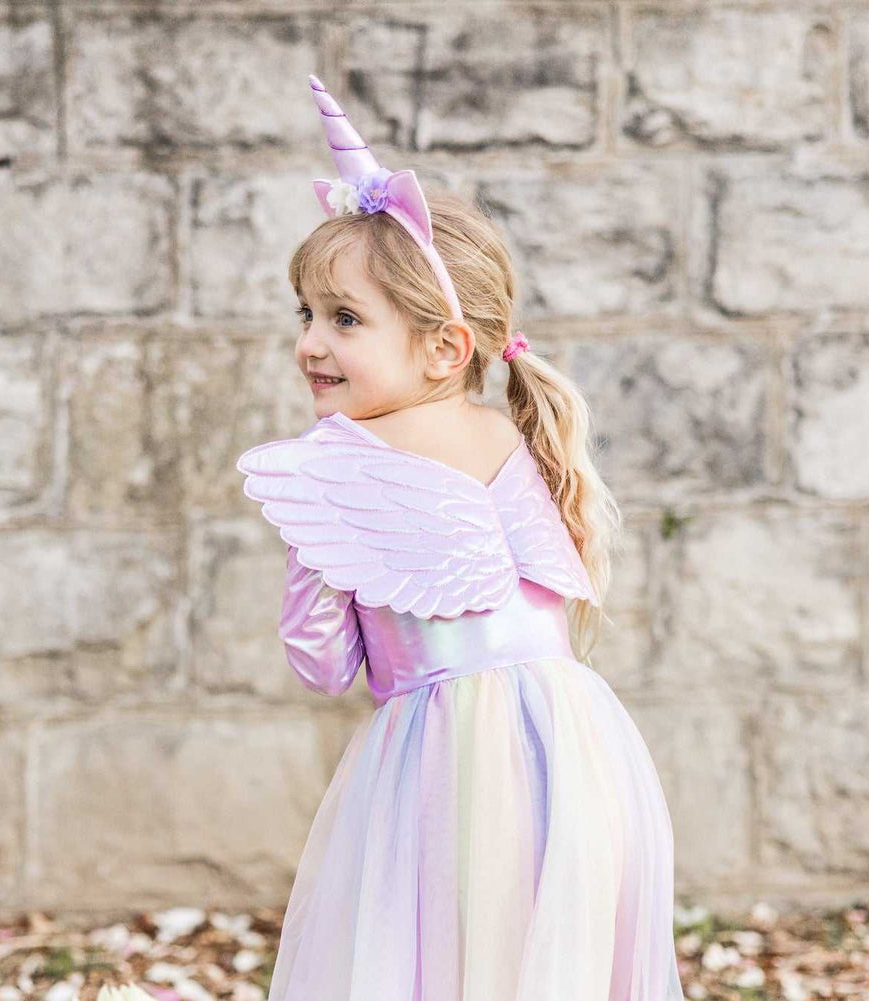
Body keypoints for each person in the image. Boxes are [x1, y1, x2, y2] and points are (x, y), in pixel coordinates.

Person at [234, 74, 688, 1001]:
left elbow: (322, 662)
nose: (311, 343)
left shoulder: (334, 463)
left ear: (444, 347)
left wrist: (316, 544)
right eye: (306, 313)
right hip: (584, 757)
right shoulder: (520, 436)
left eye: (345, 319)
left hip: (448, 775)